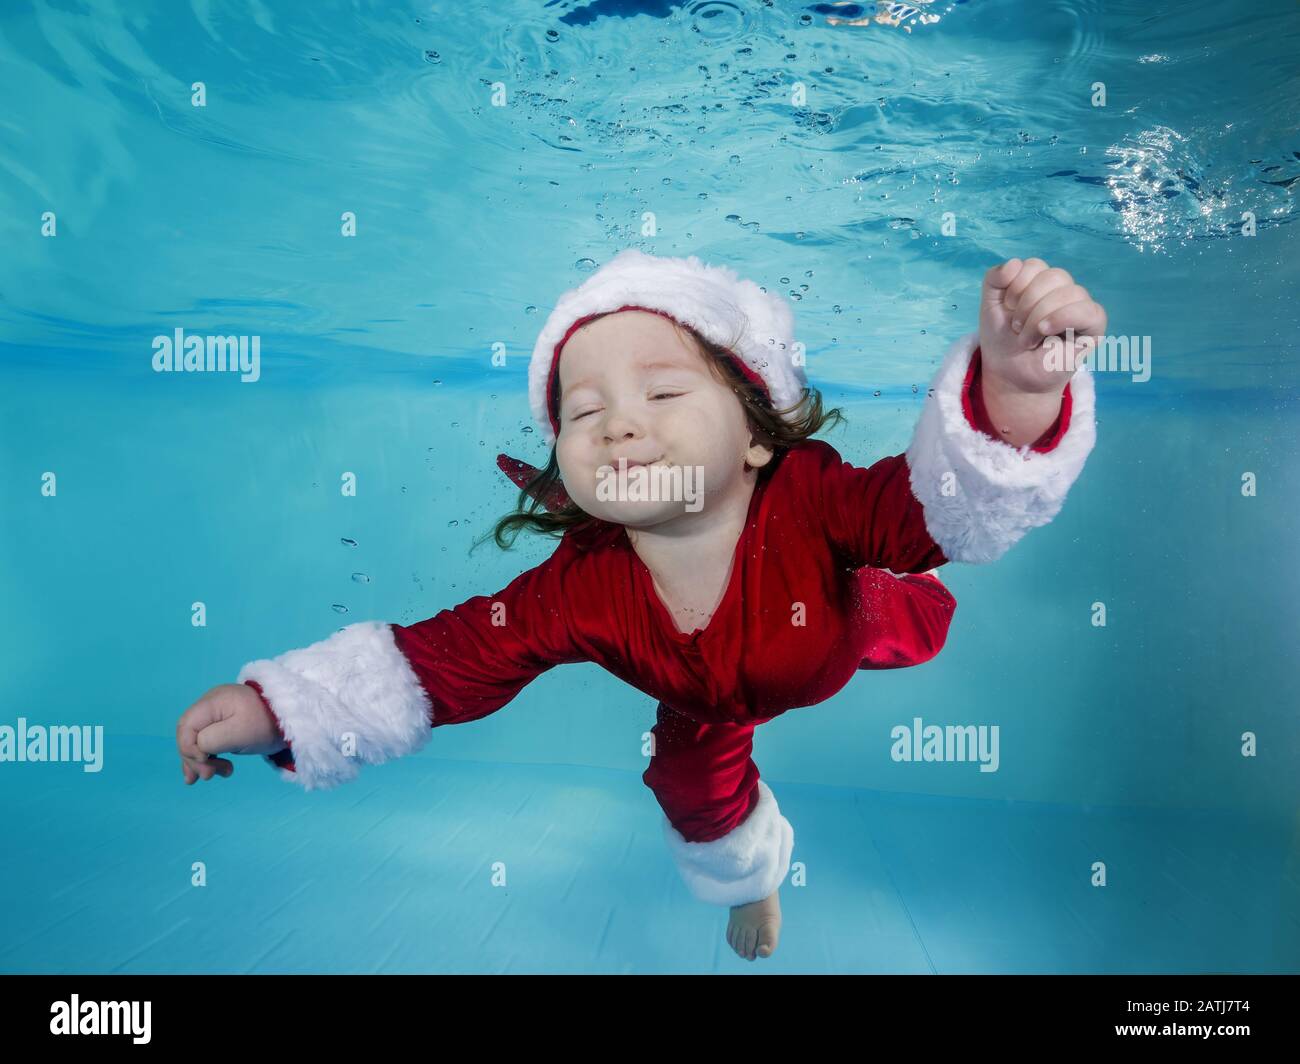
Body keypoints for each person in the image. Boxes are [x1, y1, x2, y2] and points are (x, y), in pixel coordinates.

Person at [176, 250, 1104, 961]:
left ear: (754, 435)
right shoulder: (579, 585)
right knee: (691, 792)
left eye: (662, 391)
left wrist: (1018, 392)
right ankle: (752, 880)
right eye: (583, 414)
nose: (618, 422)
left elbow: (938, 505)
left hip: (835, 616)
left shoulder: (810, 499)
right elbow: (440, 661)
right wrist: (278, 709)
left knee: (905, 599)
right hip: (701, 698)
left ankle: (902, 589)